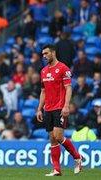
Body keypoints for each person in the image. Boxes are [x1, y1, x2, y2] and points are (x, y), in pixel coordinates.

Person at [36, 44, 82, 176]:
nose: (44, 56)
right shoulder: (43, 71)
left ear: (53, 53)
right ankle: (57, 169)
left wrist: (66, 105)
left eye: (46, 53)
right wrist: (39, 109)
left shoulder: (63, 69)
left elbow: (68, 88)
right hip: (48, 109)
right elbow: (43, 91)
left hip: (59, 107)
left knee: (59, 136)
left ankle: (77, 157)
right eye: (43, 54)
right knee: (52, 139)